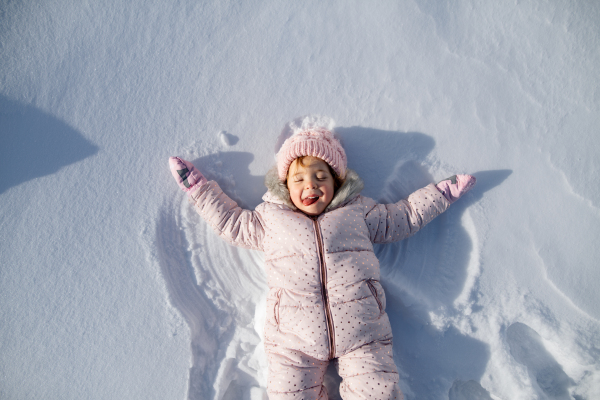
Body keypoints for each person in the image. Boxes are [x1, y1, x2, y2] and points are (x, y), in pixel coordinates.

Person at [168, 118, 476, 400]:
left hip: (362, 332)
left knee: (377, 392)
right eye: (299, 179)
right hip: (294, 339)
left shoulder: (358, 212)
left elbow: (404, 216)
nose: (310, 185)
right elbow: (231, 223)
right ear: (285, 185)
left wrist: (441, 194)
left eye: (320, 177)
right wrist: (198, 188)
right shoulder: (270, 219)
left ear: (336, 183)